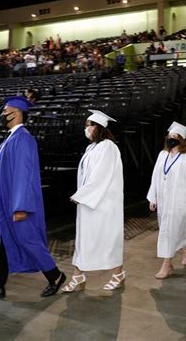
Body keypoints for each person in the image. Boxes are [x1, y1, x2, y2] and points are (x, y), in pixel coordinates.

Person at [0, 96, 65, 299]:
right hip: (5, 202)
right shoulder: (10, 139)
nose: (3, 114)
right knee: (4, 241)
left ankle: (56, 275)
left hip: (18, 204)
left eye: (6, 111)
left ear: (17, 113)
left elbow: (24, 175)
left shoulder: (23, 139)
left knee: (29, 240)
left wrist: (20, 206)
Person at [62, 110, 124, 292]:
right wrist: (82, 195)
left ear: (99, 127)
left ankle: (118, 274)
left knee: (107, 240)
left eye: (89, 125)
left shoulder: (108, 147)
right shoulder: (92, 148)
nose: (86, 128)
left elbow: (101, 176)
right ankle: (78, 276)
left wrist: (82, 194)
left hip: (104, 204)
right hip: (89, 204)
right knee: (84, 240)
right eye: (86, 125)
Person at [147, 122, 186, 278]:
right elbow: (155, 176)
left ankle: (167, 265)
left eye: (175, 137)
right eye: (170, 136)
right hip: (164, 202)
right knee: (169, 231)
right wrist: (153, 197)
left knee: (170, 233)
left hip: (179, 202)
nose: (171, 139)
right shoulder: (163, 155)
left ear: (181, 140)